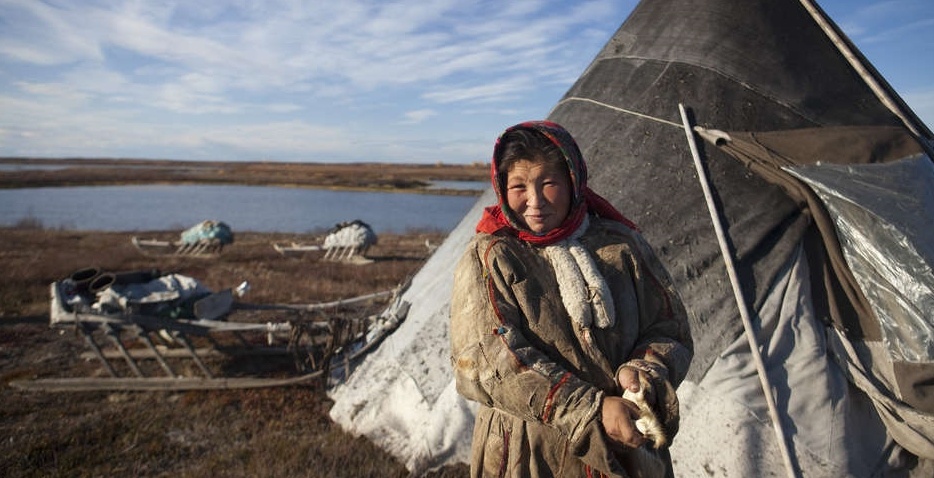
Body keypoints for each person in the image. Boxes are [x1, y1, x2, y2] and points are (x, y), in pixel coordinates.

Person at [450, 120, 693, 477]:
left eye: (548, 184)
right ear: (502, 188)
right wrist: (591, 410)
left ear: (573, 181)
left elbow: (669, 326)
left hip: (627, 440)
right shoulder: (491, 256)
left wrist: (642, 372)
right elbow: (486, 363)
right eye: (518, 186)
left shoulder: (621, 245)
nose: (534, 202)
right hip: (530, 451)